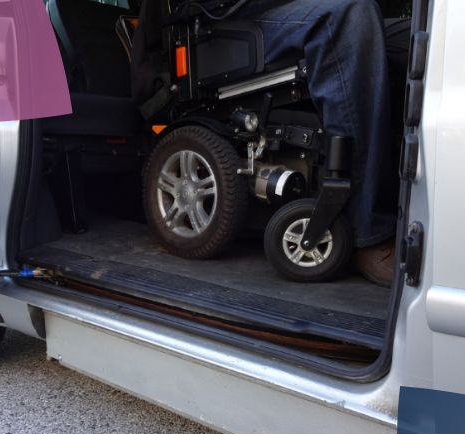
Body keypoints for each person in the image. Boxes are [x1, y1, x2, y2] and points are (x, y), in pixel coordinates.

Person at [133, 0, 405, 286]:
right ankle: (368, 229)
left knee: (419, 33)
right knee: (351, 13)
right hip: (226, 17)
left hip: (286, 9)